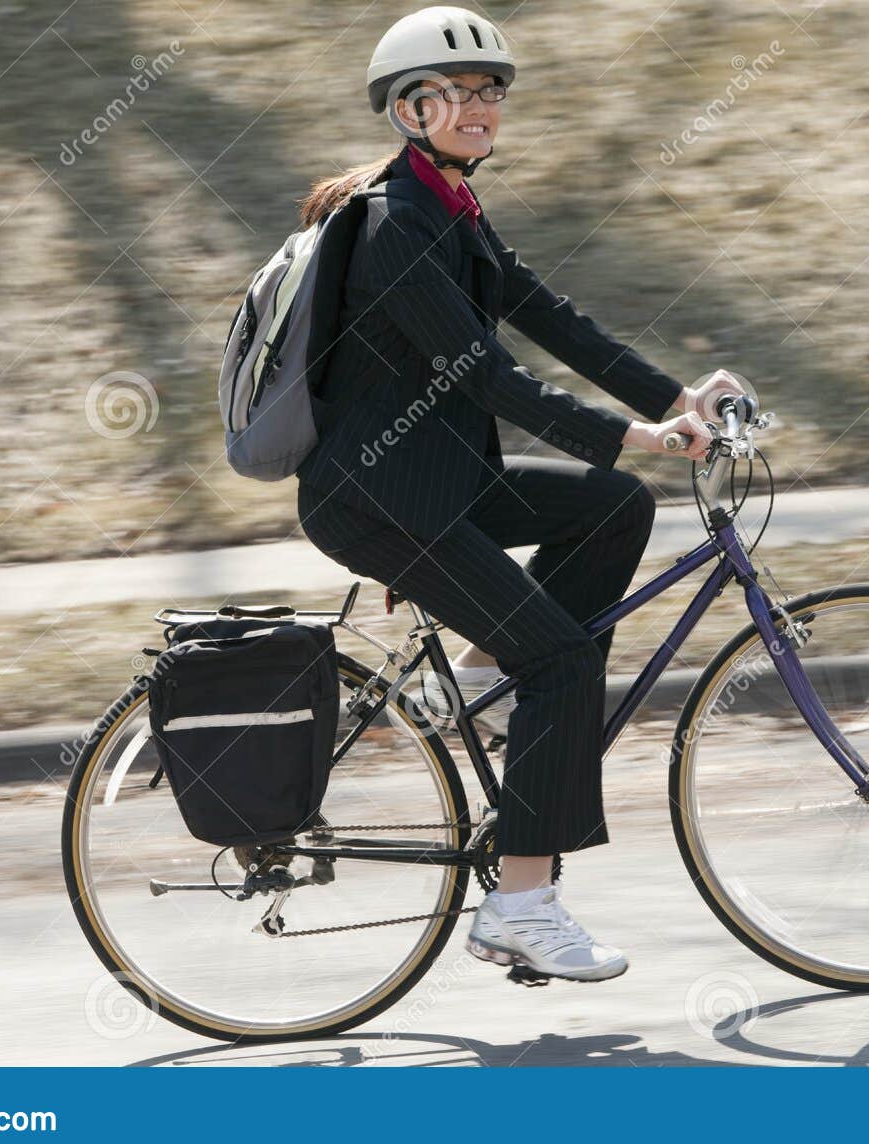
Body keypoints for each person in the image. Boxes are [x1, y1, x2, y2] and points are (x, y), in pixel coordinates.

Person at [294, 6, 740, 982]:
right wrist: (632, 433)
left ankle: (503, 691)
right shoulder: (391, 226)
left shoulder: (447, 207)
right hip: (382, 501)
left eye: (491, 90)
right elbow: (482, 374)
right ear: (410, 108)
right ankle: (520, 904)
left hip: (435, 481)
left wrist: (675, 396)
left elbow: (554, 318)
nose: (481, 107)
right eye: (456, 92)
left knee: (613, 506)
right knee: (568, 663)